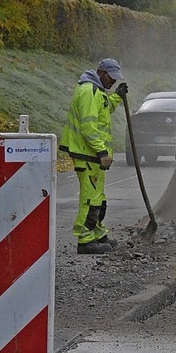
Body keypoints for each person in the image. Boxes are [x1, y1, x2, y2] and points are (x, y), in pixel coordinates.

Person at [60, 58, 128, 254]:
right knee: (90, 199)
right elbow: (88, 127)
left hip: (93, 156)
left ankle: (97, 234)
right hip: (88, 154)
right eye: (111, 78)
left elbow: (105, 108)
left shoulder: (97, 91)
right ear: (101, 73)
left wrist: (116, 96)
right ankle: (85, 240)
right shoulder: (89, 91)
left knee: (99, 198)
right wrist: (102, 151)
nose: (112, 82)